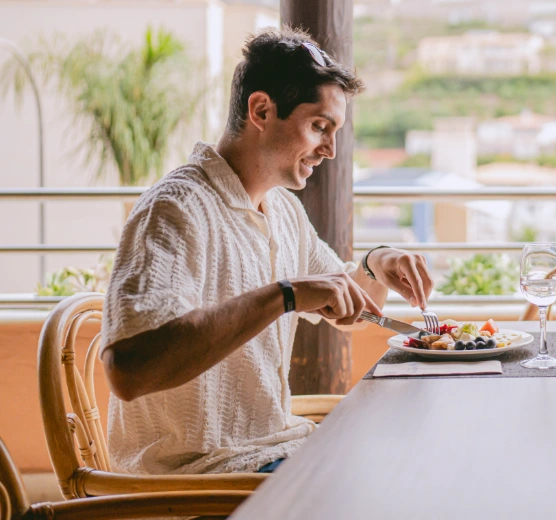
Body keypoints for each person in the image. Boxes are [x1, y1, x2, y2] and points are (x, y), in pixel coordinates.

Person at [100, 26, 433, 475]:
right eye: (320, 127)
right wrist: (284, 295)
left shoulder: (281, 210)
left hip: (275, 453)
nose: (330, 150)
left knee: (416, 458)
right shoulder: (175, 208)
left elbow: (349, 305)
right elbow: (129, 371)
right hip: (201, 477)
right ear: (261, 110)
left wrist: (377, 263)